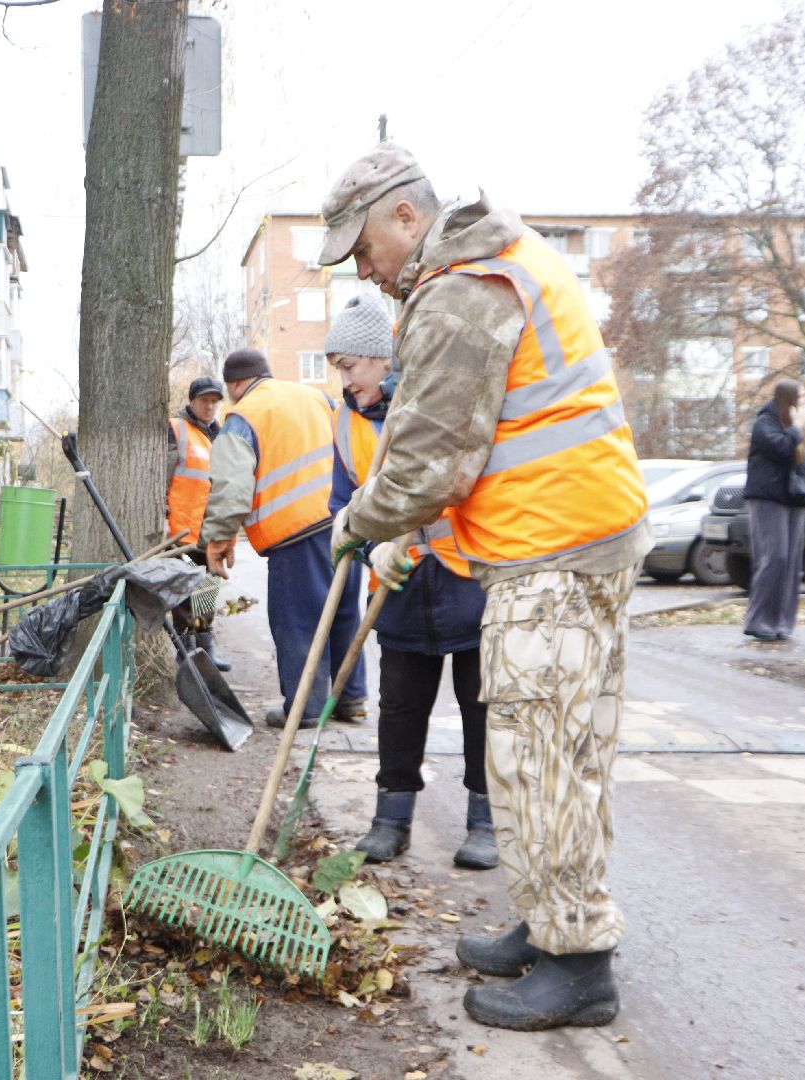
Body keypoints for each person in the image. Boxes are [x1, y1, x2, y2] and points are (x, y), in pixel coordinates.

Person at [318, 143, 650, 1031]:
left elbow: (431, 454)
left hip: (557, 549)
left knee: (537, 758)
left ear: (404, 217)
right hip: (567, 536)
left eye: (362, 247)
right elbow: (481, 448)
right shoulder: (502, 261)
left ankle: (579, 963)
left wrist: (363, 523)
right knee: (554, 752)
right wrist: (413, 539)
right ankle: (552, 926)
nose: (364, 268)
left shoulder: (465, 288)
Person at [326, 294, 497, 871]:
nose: (346, 381)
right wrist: (372, 547)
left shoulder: (433, 404)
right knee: (399, 707)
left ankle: (485, 821)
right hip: (397, 588)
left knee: (481, 708)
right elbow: (342, 507)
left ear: (381, 359)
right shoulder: (347, 424)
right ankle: (390, 820)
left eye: (351, 366)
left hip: (466, 578)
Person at [199, 348, 367, 729]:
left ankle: (306, 708)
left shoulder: (243, 415)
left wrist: (219, 537)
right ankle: (351, 699)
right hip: (346, 520)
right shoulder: (315, 396)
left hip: (296, 532)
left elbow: (231, 486)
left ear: (236, 385)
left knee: (298, 621)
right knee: (342, 611)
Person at [166, 376, 231, 671]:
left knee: (207, 588)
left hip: (209, 530)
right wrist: (162, 518)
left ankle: (205, 648)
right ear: (192, 401)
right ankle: (187, 653)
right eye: (205, 400)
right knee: (183, 592)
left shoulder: (216, 436)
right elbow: (163, 476)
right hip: (181, 530)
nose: (210, 406)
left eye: (215, 401)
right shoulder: (177, 429)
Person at [742, 380, 805, 642]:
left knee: (792, 562)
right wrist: (796, 427)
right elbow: (781, 448)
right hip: (768, 498)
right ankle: (759, 620)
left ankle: (782, 622)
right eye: (803, 397)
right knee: (775, 557)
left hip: (793, 497)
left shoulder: (793, 426)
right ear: (789, 399)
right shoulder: (765, 422)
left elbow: (801, 458)